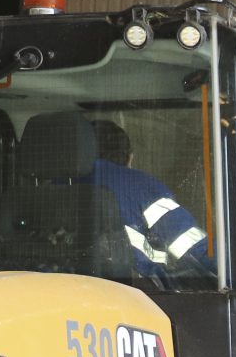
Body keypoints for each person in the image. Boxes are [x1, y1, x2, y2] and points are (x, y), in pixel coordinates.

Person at [87, 119, 211, 281]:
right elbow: (194, 247)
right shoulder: (140, 186)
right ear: (129, 157)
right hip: (130, 297)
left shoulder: (49, 188)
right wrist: (232, 274)